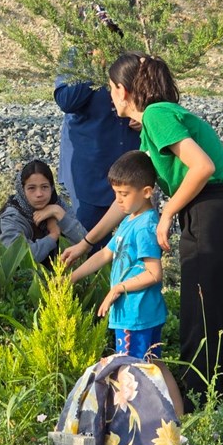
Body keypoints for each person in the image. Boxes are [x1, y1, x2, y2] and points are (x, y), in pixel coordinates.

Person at [63, 53, 223, 411]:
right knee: (209, 318)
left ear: (123, 90)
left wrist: (167, 212)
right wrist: (86, 243)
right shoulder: (150, 130)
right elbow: (128, 200)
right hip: (221, 212)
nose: (109, 96)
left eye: (110, 88)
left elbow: (202, 167)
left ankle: (200, 409)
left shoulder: (157, 115)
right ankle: (218, 400)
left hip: (214, 212)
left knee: (199, 322)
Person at [70, 150, 166, 359]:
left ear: (146, 192)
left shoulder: (144, 227)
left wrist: (118, 288)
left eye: (124, 194)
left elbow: (154, 273)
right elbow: (105, 253)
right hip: (135, 314)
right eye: (116, 193)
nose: (118, 200)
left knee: (129, 368)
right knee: (152, 366)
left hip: (136, 314)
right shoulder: (131, 219)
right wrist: (72, 277)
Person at [55, 11, 139, 238]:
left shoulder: (133, 53)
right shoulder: (76, 56)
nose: (108, 35)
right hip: (89, 171)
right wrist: (93, 67)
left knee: (130, 242)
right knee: (85, 240)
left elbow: (158, 98)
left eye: (113, 29)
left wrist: (143, 117)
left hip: (129, 168)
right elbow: (66, 101)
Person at [0, 160, 86, 266]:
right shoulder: (12, 218)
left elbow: (86, 243)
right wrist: (53, 235)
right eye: (31, 188)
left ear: (52, 188)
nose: (39, 194)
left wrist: (58, 212)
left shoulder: (57, 204)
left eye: (44, 187)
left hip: (65, 272)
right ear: (22, 190)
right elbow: (22, 258)